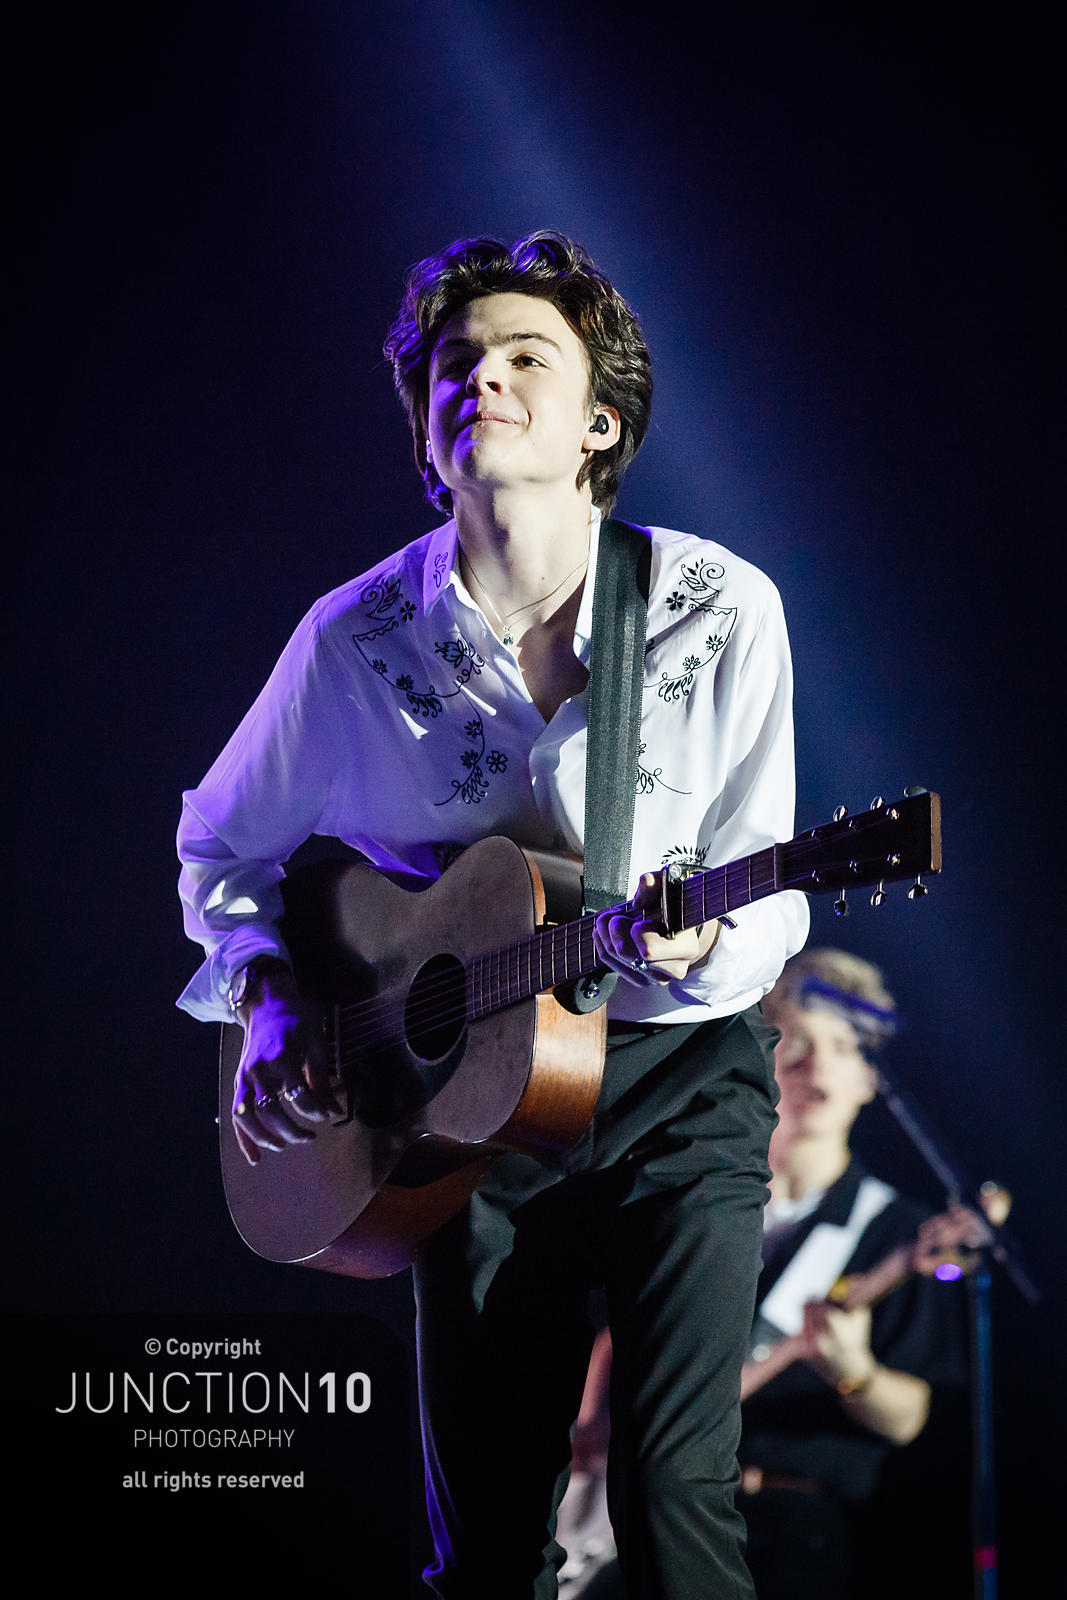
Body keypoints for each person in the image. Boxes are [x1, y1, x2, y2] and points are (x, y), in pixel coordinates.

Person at [176, 231, 809, 1598]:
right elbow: (220, 839)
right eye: (456, 364)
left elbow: (768, 877)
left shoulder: (717, 608)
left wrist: (705, 939)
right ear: (424, 429)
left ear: (598, 424)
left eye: (528, 357)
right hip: (463, 1104)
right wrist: (269, 994)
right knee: (483, 1536)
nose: (484, 379)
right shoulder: (352, 638)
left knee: (671, 1492)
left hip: (677, 1079)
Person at [561, 947, 971, 1600]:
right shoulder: (689, 1198)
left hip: (787, 1528)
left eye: (844, 1047)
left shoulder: (895, 1231)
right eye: (797, 1041)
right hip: (636, 1511)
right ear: (758, 1055)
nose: (816, 1066)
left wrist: (854, 1372)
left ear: (870, 1077)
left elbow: (907, 1418)